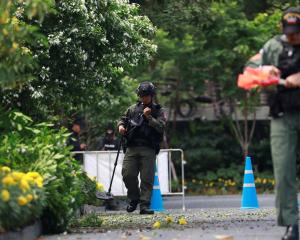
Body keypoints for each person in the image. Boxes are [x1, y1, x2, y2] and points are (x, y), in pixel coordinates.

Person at [247, 7, 300, 240]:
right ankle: (292, 224)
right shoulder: (272, 46)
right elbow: (248, 70)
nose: (292, 36)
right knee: (284, 169)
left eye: (297, 32)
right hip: (282, 116)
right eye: (288, 32)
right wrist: (263, 70)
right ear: (281, 28)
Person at [118, 81, 166, 215]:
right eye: (142, 95)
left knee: (147, 178)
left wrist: (149, 117)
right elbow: (122, 119)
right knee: (127, 174)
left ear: (152, 96)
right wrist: (121, 126)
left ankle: (144, 206)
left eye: (146, 95)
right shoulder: (133, 109)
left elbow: (161, 127)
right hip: (132, 147)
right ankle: (134, 198)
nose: (144, 98)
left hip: (148, 148)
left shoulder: (158, 110)